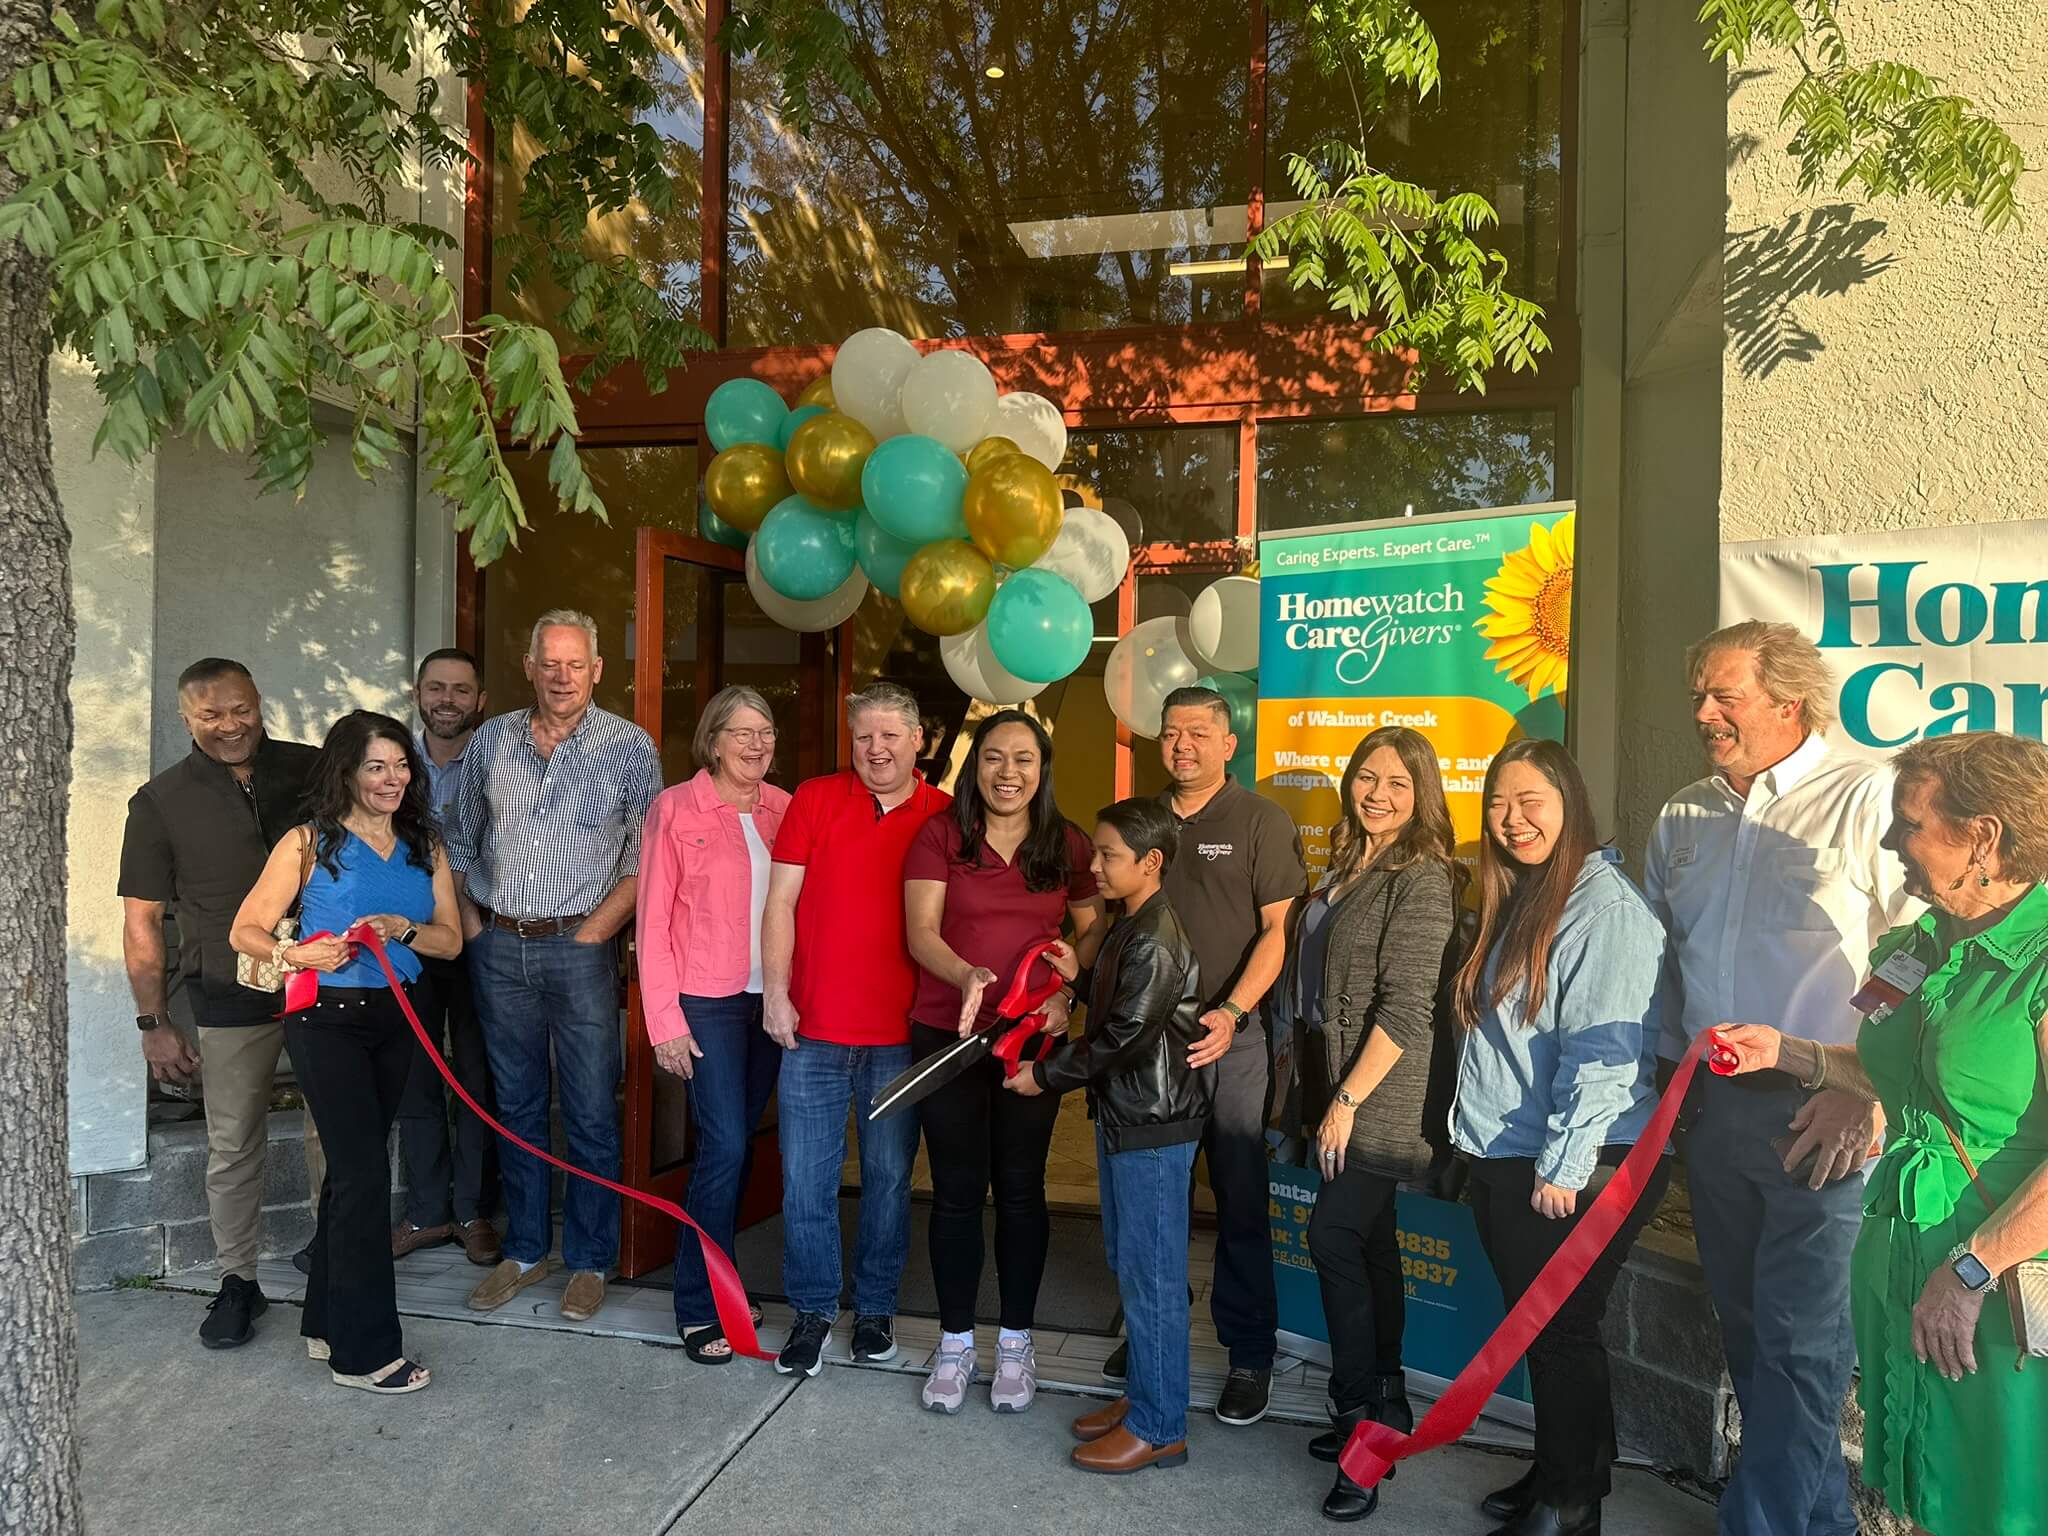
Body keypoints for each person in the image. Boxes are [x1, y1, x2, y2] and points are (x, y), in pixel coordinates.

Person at [1712, 731, 2048, 1536]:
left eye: (1911, 824)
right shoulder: (1916, 943)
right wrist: (1790, 1052)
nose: (1893, 842)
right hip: (1902, 1256)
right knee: (1927, 1491)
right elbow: (1897, 1074)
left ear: (1983, 836)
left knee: (2002, 1497)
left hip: (1999, 1277)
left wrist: (1971, 1270)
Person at [1643, 621, 1912, 1536]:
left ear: (1790, 702)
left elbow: (1916, 957)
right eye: (1698, 695)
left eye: (1725, 696)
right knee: (1751, 1334)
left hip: (1824, 1113)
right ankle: (1817, 1525)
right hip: (1714, 1112)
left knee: (1804, 1348)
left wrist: (1865, 1089)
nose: (1703, 713)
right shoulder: (1684, 814)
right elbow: (1667, 964)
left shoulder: (1865, 799)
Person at [1451, 738, 1672, 1536]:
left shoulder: (1606, 910)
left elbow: (1606, 1054)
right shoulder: (1531, 895)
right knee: (1543, 1327)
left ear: (1570, 804)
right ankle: (1564, 1469)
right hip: (1514, 1150)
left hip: (1578, 1159)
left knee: (1560, 1329)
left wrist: (1567, 1164)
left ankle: (1572, 1506)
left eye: (1530, 802)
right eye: (1497, 805)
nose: (1512, 820)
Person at [229, 711, 463, 1395]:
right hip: (325, 1021)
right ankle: (364, 1355)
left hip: (399, 1019)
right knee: (362, 1176)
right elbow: (245, 929)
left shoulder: (426, 844)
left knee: (349, 1176)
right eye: (376, 767)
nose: (393, 779)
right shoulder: (308, 842)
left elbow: (451, 941)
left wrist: (404, 928)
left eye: (401, 765)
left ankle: (326, 1321)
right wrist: (294, 953)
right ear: (345, 772)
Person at [445, 609, 659, 1322]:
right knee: (518, 1105)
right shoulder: (492, 740)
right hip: (500, 946)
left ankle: (591, 1258)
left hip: (580, 948)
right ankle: (527, 1249)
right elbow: (459, 839)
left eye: (576, 664)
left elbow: (645, 856)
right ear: (529, 667)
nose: (562, 677)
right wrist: (474, 929)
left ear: (597, 670)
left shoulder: (629, 746)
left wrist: (594, 934)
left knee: (593, 1110)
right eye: (550, 663)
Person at [1272, 726, 1460, 1522]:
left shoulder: (1423, 877)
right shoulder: (1353, 860)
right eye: (1366, 778)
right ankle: (1386, 1401)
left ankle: (1361, 1434)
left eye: (1397, 784)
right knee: (1372, 1244)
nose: (1377, 794)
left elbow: (1408, 1008)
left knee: (1333, 1237)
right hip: (1334, 1076)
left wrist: (1347, 1103)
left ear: (1423, 796)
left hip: (1380, 1094)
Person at [903, 710, 1107, 1414]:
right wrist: (965, 975)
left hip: (1032, 1043)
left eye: (1023, 758)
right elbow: (920, 931)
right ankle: (955, 1343)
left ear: (1042, 769)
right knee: (956, 1192)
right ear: (976, 765)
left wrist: (1068, 991)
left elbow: (1094, 927)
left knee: (1021, 1189)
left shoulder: (1067, 842)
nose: (1008, 772)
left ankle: (1017, 1345)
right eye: (994, 757)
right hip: (949, 1034)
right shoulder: (941, 836)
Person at [117, 658, 325, 1348]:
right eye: (211, 715)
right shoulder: (160, 800)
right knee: (233, 1144)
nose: (230, 726)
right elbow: (142, 920)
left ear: (258, 701)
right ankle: (239, 1282)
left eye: (241, 709)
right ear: (186, 718)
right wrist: (154, 1023)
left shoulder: (313, 770)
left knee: (334, 1129)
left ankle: (334, 1257)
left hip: (326, 982)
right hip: (228, 991)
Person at [1004, 797, 1211, 1473]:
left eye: (1107, 855)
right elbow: (1125, 1010)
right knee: (1134, 1267)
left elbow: (1124, 1037)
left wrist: (1044, 1075)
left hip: (1152, 1127)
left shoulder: (1154, 937)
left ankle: (1160, 1426)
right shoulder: (1134, 923)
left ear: (1151, 862)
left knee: (1153, 1279)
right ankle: (1146, 1398)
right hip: (1131, 1120)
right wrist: (1079, 977)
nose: (1093, 865)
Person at [762, 681, 950, 1377]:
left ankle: (875, 1309)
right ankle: (812, 1311)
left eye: (890, 735)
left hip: (901, 1038)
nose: (875, 749)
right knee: (804, 1183)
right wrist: (775, 994)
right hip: (812, 1031)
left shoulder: (944, 815)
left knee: (889, 1181)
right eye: (863, 736)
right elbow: (780, 903)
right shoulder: (815, 798)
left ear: (918, 740)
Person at [1132, 684, 1304, 1425]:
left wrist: (1232, 1013)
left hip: (1231, 1041)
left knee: (1238, 1200)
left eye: (1199, 733)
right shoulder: (1142, 820)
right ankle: (1151, 1339)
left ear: (1229, 744)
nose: (1183, 746)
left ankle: (1249, 1356)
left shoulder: (1260, 820)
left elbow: (1277, 931)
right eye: (1172, 732)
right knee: (1152, 1202)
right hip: (1149, 1046)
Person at [637, 685, 789, 1363]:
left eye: (766, 732)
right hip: (707, 1001)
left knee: (738, 1147)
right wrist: (663, 1021)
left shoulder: (787, 808)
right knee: (724, 1148)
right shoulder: (676, 808)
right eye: (742, 733)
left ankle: (721, 1283)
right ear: (714, 740)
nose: (757, 745)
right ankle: (699, 1306)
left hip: (772, 1002)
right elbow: (652, 921)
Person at [392, 647, 500, 1267]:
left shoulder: (501, 759)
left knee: (480, 1074)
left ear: (479, 699)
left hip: (482, 936)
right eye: (436, 688)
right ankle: (427, 1211)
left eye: (461, 689)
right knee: (418, 1074)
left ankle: (472, 1210)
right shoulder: (393, 764)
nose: (448, 700)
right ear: (417, 694)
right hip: (413, 942)